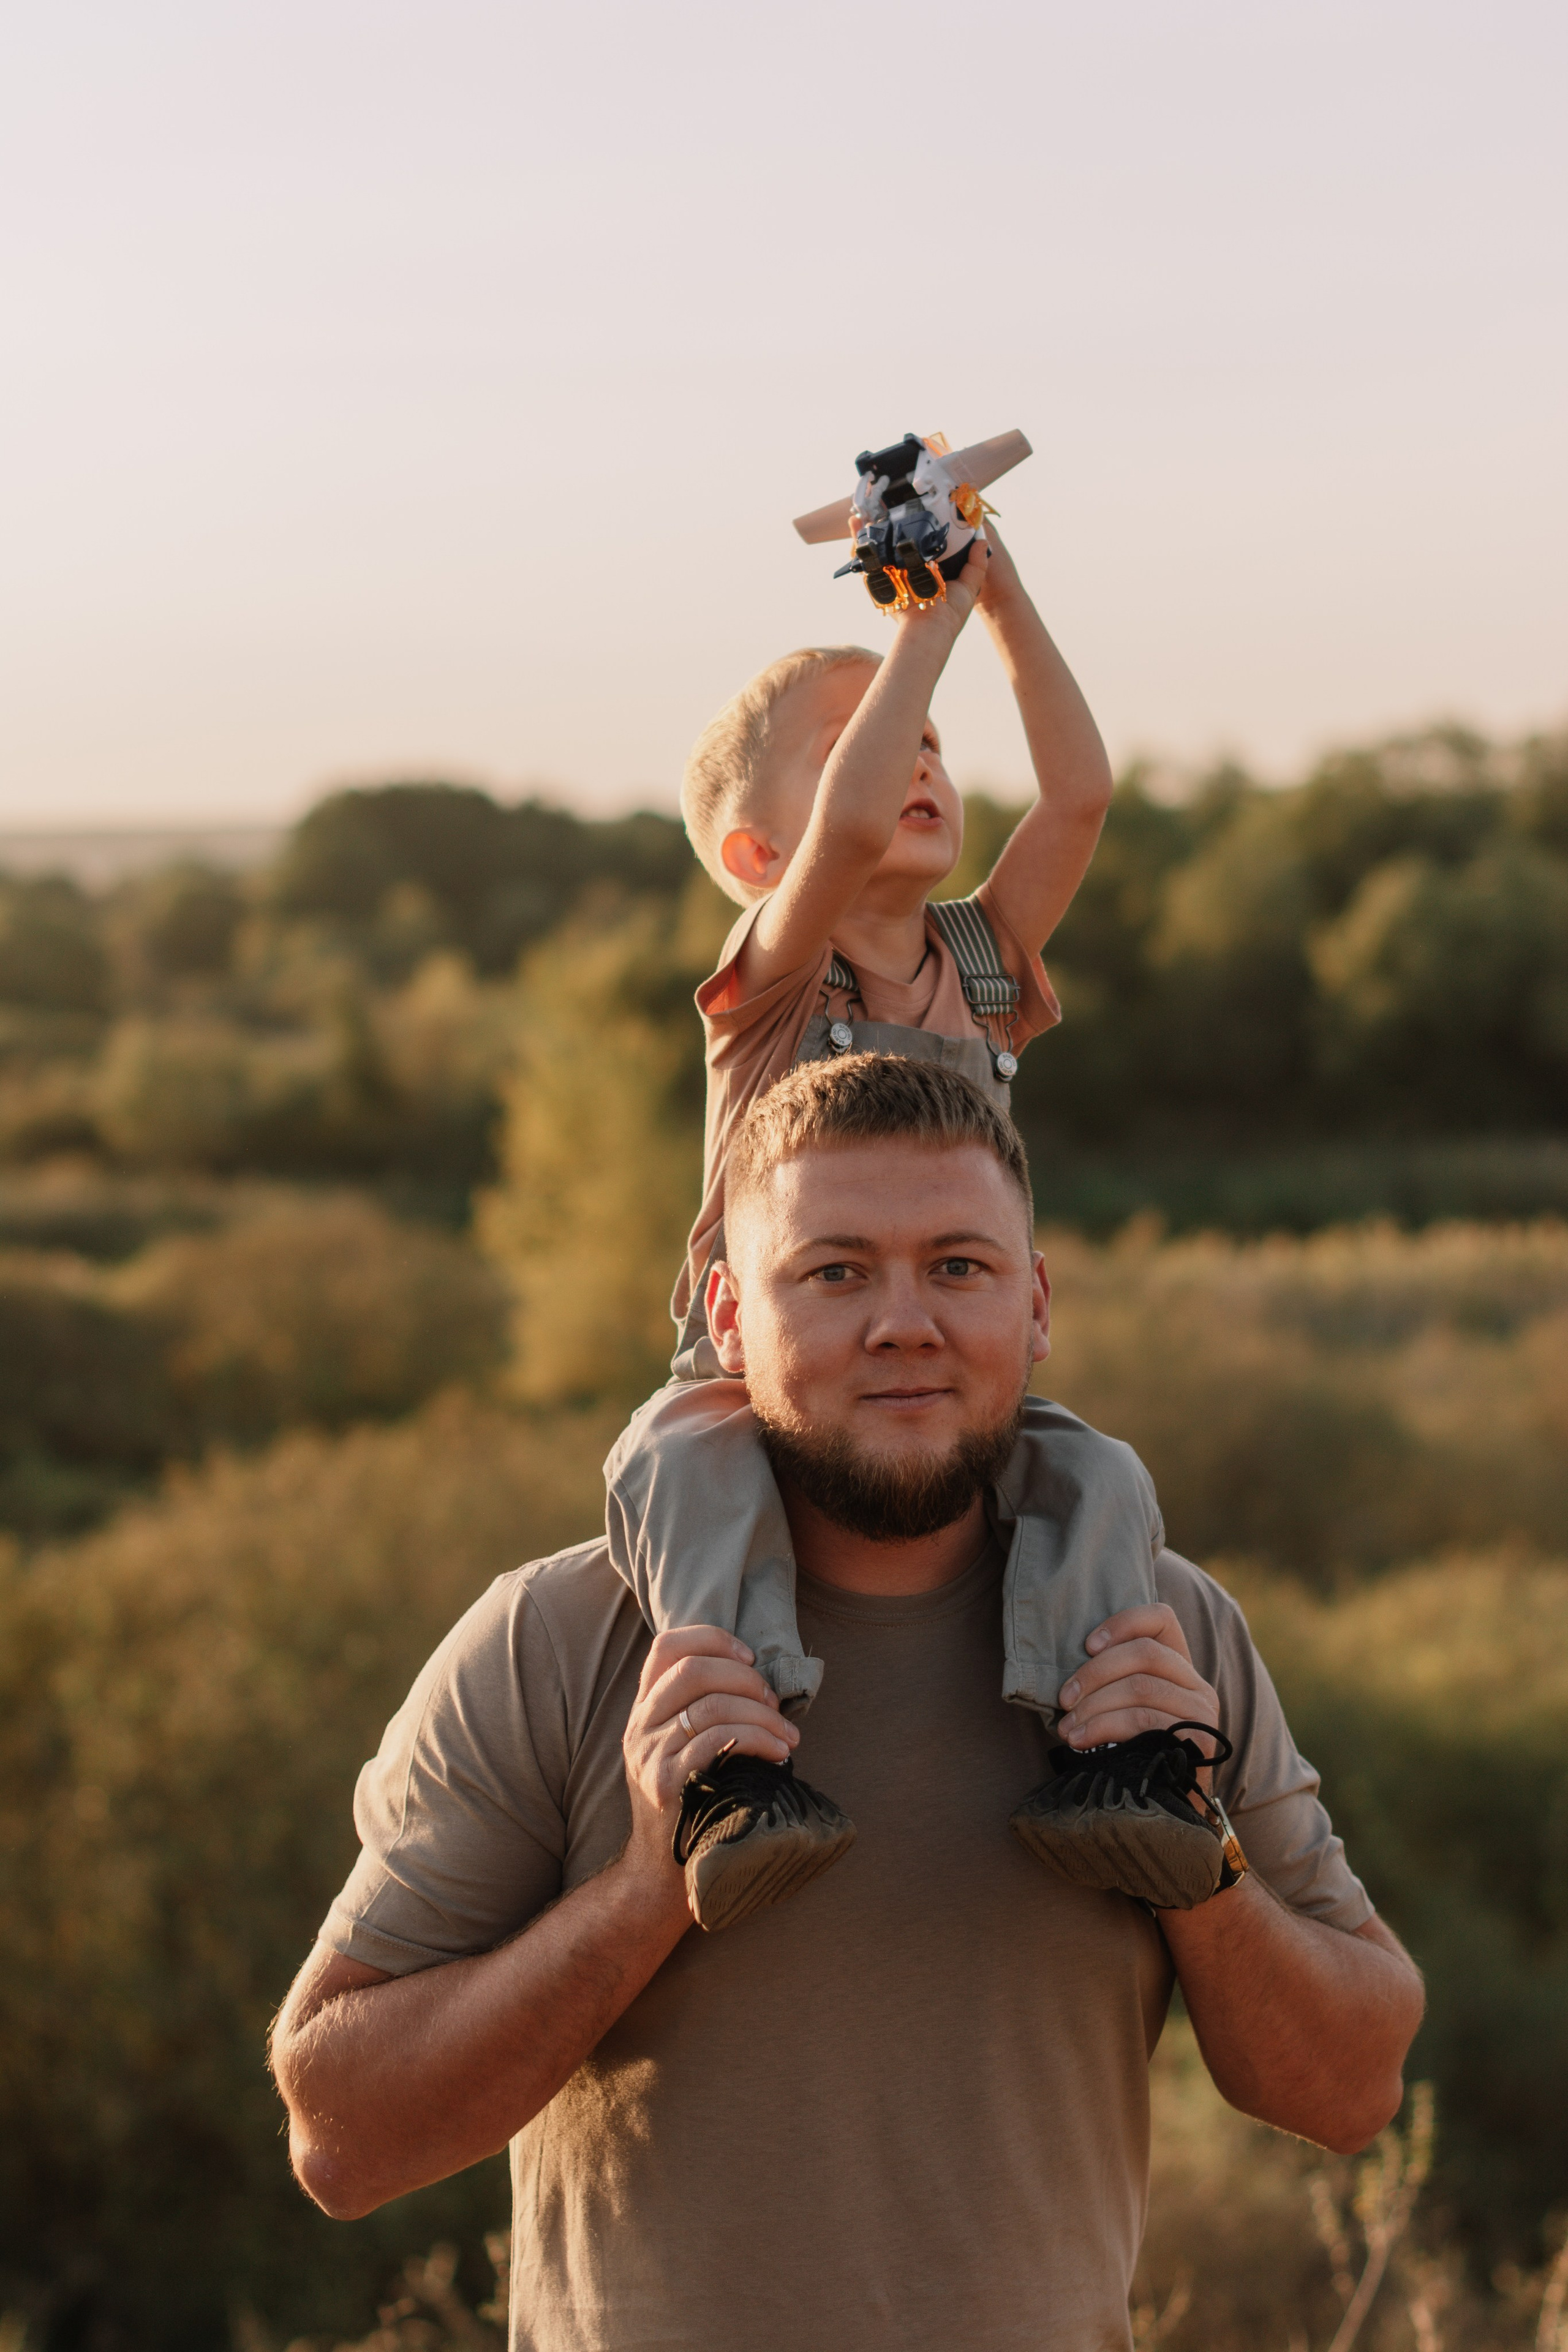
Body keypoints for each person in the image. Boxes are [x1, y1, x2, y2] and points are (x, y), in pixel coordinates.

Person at [271, 1055, 1425, 2352]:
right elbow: (342, 2141)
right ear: (726, 1314)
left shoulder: (1167, 1636)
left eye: (958, 1267)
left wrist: (1203, 1874)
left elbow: (1351, 2091)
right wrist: (648, 1887)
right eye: (834, 1273)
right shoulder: (558, 1640)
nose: (903, 1324)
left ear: (1036, 1305)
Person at [606, 519, 1188, 1930]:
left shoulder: (979, 965)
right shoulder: (775, 974)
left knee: (1100, 1481)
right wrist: (917, 629)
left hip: (943, 1362)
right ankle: (738, 1774)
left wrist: (996, 596)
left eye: (929, 739)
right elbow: (852, 829)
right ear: (756, 851)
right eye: (869, 739)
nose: (916, 756)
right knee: (676, 1467)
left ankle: (1109, 1758)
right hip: (758, 1371)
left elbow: (1079, 793)